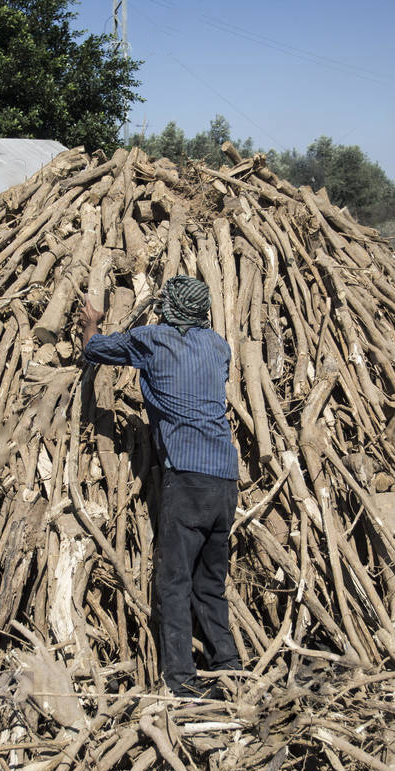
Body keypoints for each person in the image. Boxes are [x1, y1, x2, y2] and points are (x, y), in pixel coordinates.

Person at [79, 274, 242, 699]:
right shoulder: (219, 346)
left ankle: (182, 684)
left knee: (173, 582)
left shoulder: (153, 340)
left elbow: (96, 351)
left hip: (186, 477)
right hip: (224, 477)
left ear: (169, 308)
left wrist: (91, 324)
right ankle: (229, 668)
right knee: (210, 581)